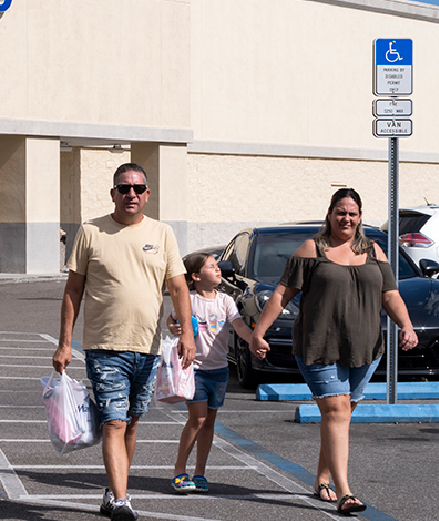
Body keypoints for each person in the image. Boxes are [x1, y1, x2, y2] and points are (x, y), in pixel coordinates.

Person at [249, 187, 417, 516]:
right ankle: (345, 492)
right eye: (341, 212)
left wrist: (406, 326)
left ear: (360, 217)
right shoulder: (312, 249)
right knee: (337, 412)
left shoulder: (374, 251)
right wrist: (258, 332)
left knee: (339, 416)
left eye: (353, 213)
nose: (347, 218)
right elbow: (282, 295)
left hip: (365, 348)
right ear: (330, 214)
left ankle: (322, 479)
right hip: (319, 345)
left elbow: (391, 295)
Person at [52, 163, 196, 521]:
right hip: (104, 345)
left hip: (146, 347)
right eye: (124, 188)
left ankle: (115, 491)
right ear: (113, 193)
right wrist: (65, 343)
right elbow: (73, 290)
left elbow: (178, 286)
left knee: (131, 421)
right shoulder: (91, 232)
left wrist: (188, 334)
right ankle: (120, 501)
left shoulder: (162, 233)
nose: (131, 194)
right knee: (114, 422)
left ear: (147, 194)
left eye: (137, 188)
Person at [166, 253, 254, 494]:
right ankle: (179, 470)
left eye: (217, 266)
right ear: (195, 276)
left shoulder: (225, 300)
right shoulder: (188, 299)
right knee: (199, 418)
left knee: (209, 422)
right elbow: (171, 320)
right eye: (212, 267)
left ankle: (200, 473)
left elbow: (239, 326)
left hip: (220, 370)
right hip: (193, 369)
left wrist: (255, 341)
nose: (218, 270)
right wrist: (173, 326)